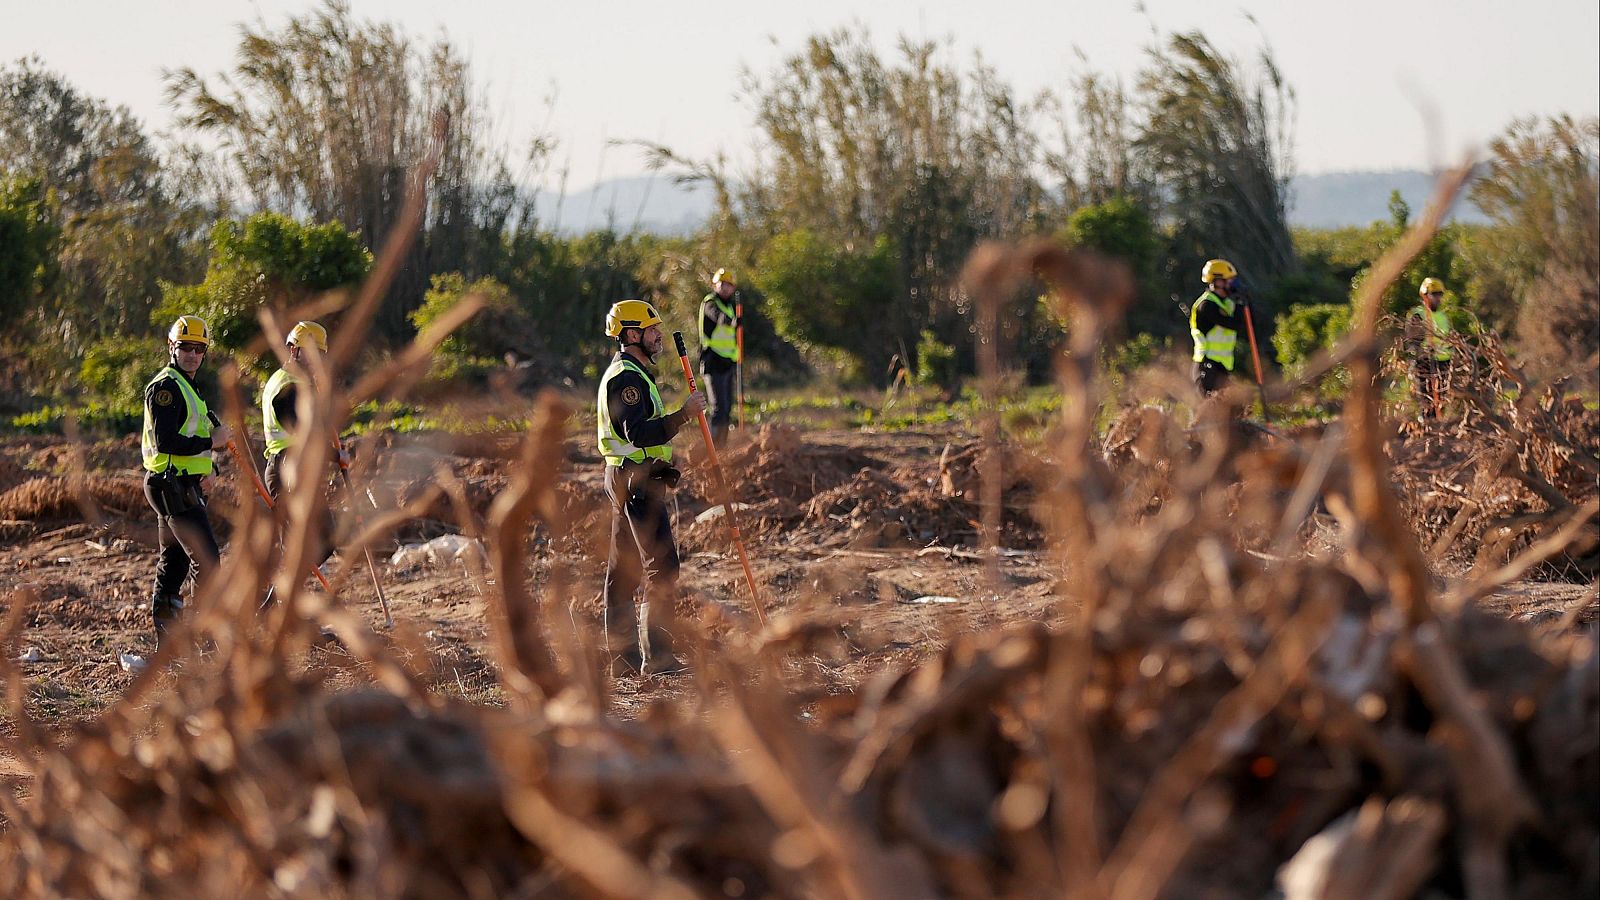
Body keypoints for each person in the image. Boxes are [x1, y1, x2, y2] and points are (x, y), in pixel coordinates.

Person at [598, 299, 706, 676]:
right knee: (662, 566)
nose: (658, 335)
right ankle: (658, 660)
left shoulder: (633, 373)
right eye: (651, 330)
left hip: (627, 477)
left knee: (622, 571)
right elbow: (638, 433)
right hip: (635, 480)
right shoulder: (626, 378)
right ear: (631, 334)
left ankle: (622, 662)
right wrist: (684, 415)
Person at [141, 315, 231, 648]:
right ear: (171, 347)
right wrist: (213, 442)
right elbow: (167, 442)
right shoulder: (167, 387)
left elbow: (187, 437)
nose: (192, 354)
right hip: (171, 486)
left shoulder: (186, 385)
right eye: (185, 348)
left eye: (198, 348)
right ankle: (207, 637)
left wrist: (207, 469)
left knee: (175, 560)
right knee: (207, 561)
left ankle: (170, 643)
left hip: (178, 483)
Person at [260, 320, 345, 598]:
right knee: (314, 542)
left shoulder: (294, 382)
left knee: (314, 543)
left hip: (291, 468)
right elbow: (300, 431)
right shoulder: (288, 386)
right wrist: (335, 455)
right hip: (287, 469)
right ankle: (276, 605)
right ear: (292, 350)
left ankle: (278, 602)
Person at [1189, 258, 1249, 394]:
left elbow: (1245, 325)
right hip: (1207, 365)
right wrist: (1239, 302)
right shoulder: (1206, 305)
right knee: (1211, 410)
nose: (1233, 284)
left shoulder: (1227, 303)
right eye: (1229, 280)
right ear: (1217, 281)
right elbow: (1234, 325)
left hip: (1222, 366)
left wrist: (1244, 302)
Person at [699, 268, 740, 444]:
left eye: (728, 284)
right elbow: (716, 315)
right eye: (722, 284)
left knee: (727, 407)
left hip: (728, 361)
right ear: (715, 285)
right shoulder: (710, 302)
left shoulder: (732, 305)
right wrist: (732, 322)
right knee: (717, 407)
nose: (725, 288)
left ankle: (723, 445)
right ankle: (713, 447)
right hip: (712, 360)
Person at [1403, 277, 1454, 417]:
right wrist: (1421, 353)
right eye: (1434, 294)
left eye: (1439, 295)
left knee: (1441, 397)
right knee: (1426, 396)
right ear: (1425, 295)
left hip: (1444, 361)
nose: (1438, 298)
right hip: (1425, 361)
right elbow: (1412, 341)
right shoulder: (1418, 315)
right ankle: (1426, 424)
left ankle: (1438, 424)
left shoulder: (1443, 316)